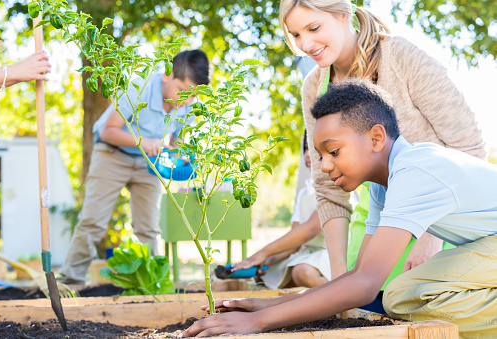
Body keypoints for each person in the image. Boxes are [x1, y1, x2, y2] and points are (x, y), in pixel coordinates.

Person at [180, 79, 497, 338]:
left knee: (400, 295)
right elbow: (357, 275)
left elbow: (365, 286)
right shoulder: (383, 183)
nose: (325, 166)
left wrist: (258, 323)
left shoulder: (414, 171)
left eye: (333, 151)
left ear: (375, 138)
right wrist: (269, 307)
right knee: (398, 295)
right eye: (320, 156)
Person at [280, 0, 485, 289]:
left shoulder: (400, 57)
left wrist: (430, 238)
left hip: (441, 220)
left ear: (342, 15)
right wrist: (337, 277)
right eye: (296, 35)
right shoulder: (313, 88)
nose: (306, 44)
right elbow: (327, 189)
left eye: (313, 28)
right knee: (367, 309)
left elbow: (469, 146)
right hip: (375, 217)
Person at [58, 49, 210, 284]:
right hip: (112, 154)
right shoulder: (140, 87)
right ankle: (70, 281)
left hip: (149, 162)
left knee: (148, 228)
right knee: (93, 222)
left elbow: (176, 143)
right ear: (168, 75)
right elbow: (108, 131)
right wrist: (142, 141)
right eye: (181, 91)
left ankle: (148, 284)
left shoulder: (189, 106)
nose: (185, 100)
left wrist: (184, 156)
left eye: (192, 95)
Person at [232, 132, 330, 289]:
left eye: (313, 149)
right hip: (310, 256)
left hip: (332, 256)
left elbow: (310, 230)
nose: (307, 154)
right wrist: (266, 261)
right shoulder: (305, 192)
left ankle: (344, 297)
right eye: (305, 148)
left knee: (301, 273)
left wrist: (263, 252)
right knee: (267, 278)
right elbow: (294, 242)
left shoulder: (334, 185)